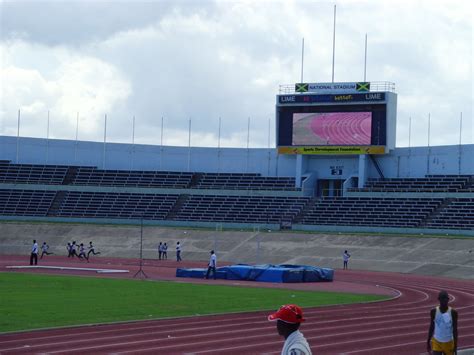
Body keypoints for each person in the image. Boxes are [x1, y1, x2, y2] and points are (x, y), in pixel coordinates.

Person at [427, 290, 458, 355]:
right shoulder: (434, 311)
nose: (444, 300)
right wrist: (428, 342)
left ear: (448, 299)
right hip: (437, 341)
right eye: (442, 298)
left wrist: (455, 346)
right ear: (439, 299)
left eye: (446, 298)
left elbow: (455, 330)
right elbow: (431, 327)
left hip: (448, 342)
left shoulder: (453, 312)